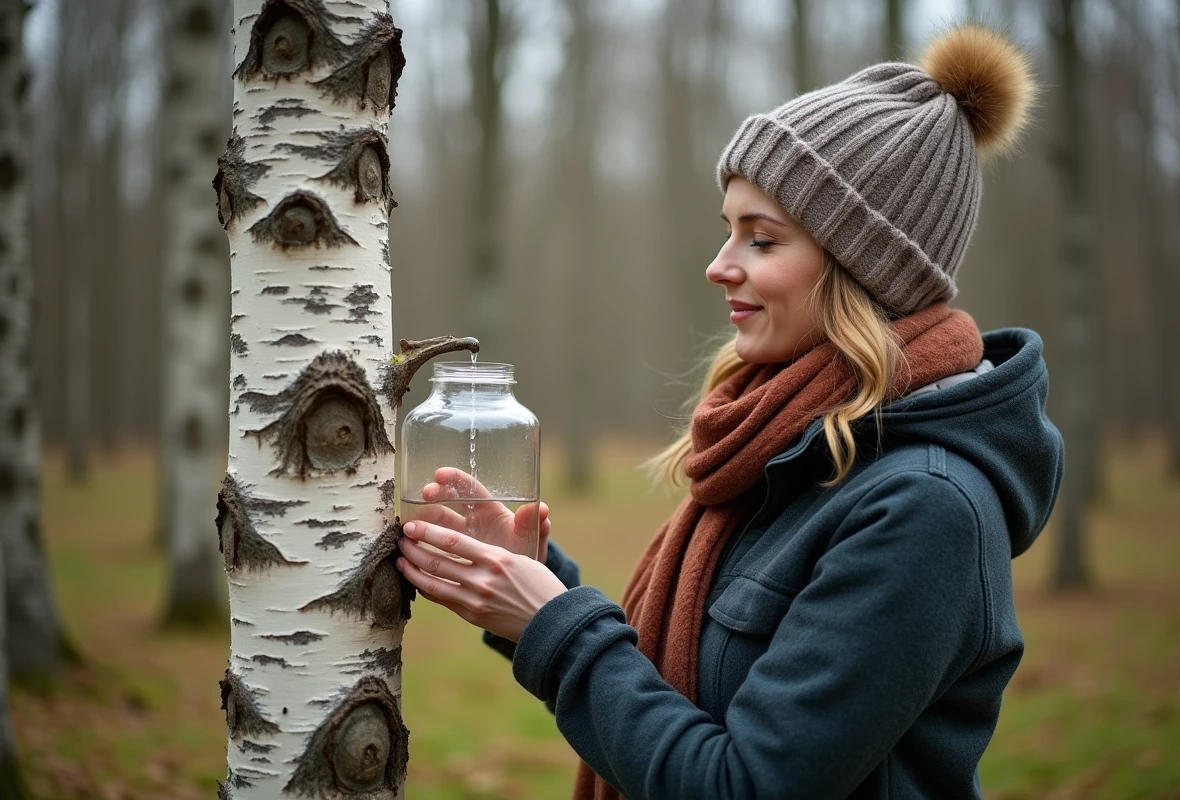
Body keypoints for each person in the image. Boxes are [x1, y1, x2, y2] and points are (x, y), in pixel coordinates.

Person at [396, 22, 1064, 800]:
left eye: (762, 239)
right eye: (728, 231)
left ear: (861, 268)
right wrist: (534, 580)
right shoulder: (783, 447)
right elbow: (682, 699)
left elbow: (740, 784)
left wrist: (554, 627)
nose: (720, 266)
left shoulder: (925, 509)